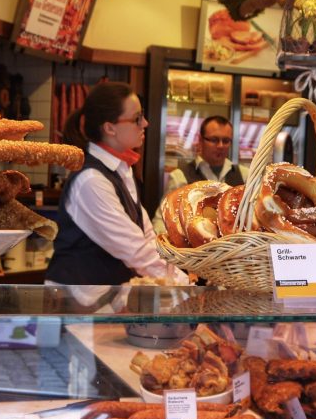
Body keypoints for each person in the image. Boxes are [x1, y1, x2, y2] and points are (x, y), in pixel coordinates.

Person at [46, 82, 188, 285]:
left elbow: (148, 238)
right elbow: (136, 251)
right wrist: (187, 286)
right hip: (76, 306)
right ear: (110, 127)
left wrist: (183, 278)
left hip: (105, 304)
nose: (145, 123)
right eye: (137, 118)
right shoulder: (91, 181)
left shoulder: (122, 170)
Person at [152, 115, 248, 234]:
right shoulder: (180, 176)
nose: (220, 146)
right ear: (200, 140)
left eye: (226, 141)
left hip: (235, 249)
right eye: (214, 140)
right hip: (194, 249)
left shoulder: (245, 175)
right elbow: (161, 220)